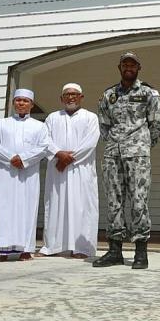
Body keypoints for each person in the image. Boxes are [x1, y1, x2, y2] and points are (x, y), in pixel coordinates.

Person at [94, 52, 160, 269]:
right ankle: (115, 250)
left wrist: (141, 145)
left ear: (138, 68)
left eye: (132, 64)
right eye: (125, 64)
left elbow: (157, 125)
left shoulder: (149, 93)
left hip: (138, 155)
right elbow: (103, 124)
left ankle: (141, 252)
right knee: (114, 202)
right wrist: (116, 143)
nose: (128, 67)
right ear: (120, 68)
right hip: (113, 154)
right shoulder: (109, 95)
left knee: (138, 201)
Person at [39, 83, 101, 259]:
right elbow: (45, 140)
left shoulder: (91, 117)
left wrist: (66, 160)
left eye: (74, 94)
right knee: (56, 206)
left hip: (81, 170)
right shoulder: (52, 118)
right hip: (57, 170)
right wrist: (58, 154)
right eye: (67, 95)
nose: (71, 97)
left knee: (82, 207)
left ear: (81, 97)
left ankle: (82, 248)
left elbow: (90, 143)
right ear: (61, 98)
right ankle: (52, 246)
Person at [0, 89, 50, 262]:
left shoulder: (40, 126)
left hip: (28, 174)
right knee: (5, 208)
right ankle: (3, 249)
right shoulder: (2, 123)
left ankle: (25, 249)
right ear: (13, 103)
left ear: (31, 104)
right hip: (6, 173)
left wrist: (23, 159)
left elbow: (44, 147)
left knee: (27, 209)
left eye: (25, 101)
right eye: (18, 100)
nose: (21, 103)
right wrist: (11, 158)